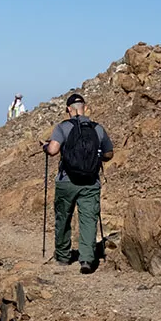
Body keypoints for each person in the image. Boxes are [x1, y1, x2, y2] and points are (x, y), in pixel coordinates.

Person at [42, 93, 114, 274]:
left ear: (68, 109)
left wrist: (45, 146)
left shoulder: (63, 127)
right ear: (85, 107)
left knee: (63, 217)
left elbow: (53, 150)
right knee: (88, 219)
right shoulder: (97, 129)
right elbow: (109, 154)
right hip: (90, 181)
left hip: (67, 181)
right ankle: (87, 259)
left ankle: (63, 256)